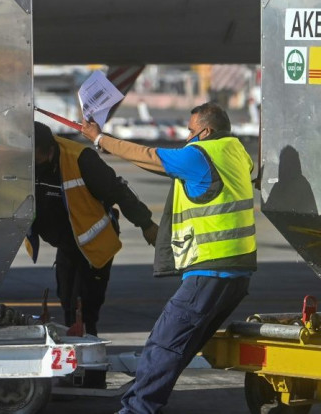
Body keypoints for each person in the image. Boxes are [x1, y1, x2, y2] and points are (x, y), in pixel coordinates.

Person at [80, 102, 256, 414]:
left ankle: (137, 410)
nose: (187, 137)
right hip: (238, 272)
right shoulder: (235, 150)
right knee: (180, 348)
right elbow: (161, 165)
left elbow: (149, 155)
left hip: (209, 270)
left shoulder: (198, 155)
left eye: (191, 131)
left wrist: (99, 139)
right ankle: (146, 404)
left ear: (206, 130)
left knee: (163, 345)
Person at [29, 122, 158, 338]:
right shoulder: (28, 161)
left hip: (94, 244)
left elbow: (118, 191)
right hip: (68, 242)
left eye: (36, 159)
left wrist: (146, 224)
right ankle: (76, 353)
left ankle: (88, 362)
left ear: (49, 150)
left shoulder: (81, 159)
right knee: (67, 301)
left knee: (85, 308)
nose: (31, 164)